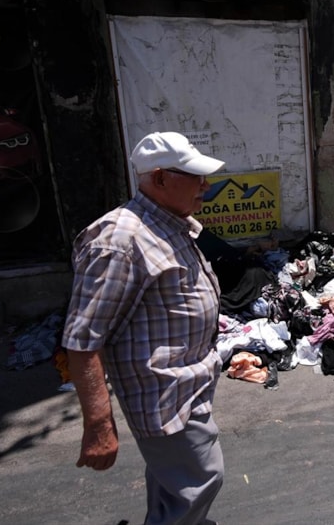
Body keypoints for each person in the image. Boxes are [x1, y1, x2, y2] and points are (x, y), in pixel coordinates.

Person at [62, 131, 227, 525]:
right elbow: (82, 340)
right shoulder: (119, 240)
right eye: (195, 176)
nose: (205, 185)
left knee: (176, 483)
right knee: (200, 480)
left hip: (189, 385)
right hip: (163, 395)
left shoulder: (170, 224)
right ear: (159, 178)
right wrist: (99, 425)